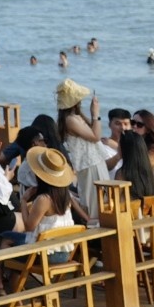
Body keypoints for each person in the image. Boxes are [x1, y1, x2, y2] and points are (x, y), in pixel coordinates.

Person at [55, 80, 111, 224]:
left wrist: (93, 115)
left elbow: (94, 133)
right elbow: (95, 136)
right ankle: (96, 228)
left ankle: (100, 226)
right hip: (89, 163)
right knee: (95, 201)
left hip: (94, 161)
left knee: (103, 198)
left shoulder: (75, 117)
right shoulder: (70, 120)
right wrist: (96, 113)